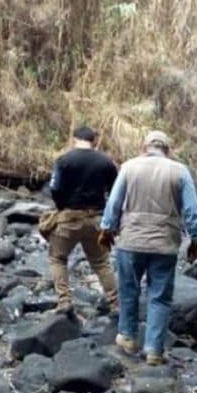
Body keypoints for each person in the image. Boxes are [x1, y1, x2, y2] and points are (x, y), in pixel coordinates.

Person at [99, 130, 197, 366]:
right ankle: (154, 351)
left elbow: (114, 202)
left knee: (129, 290)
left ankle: (127, 336)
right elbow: (192, 211)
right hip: (165, 243)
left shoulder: (129, 167)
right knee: (159, 298)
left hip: (131, 240)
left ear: (144, 147)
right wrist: (196, 240)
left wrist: (107, 229)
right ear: (167, 150)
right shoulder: (180, 171)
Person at [46, 125, 119, 314]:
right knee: (102, 263)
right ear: (93, 141)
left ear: (74, 139)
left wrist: (61, 205)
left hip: (69, 218)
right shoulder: (106, 162)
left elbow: (54, 188)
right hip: (96, 219)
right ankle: (115, 303)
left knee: (58, 258)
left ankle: (64, 301)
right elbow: (115, 192)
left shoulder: (64, 160)